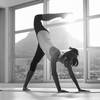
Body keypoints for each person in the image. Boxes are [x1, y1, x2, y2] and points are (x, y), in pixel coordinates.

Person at [23, 13, 89, 93]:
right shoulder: (56, 53)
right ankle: (60, 15)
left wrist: (79, 89)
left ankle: (24, 87)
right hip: (43, 33)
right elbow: (54, 73)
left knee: (34, 62)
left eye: (69, 64)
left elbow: (72, 75)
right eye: (69, 63)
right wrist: (59, 89)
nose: (68, 66)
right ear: (66, 58)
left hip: (43, 46)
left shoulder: (66, 60)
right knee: (37, 17)